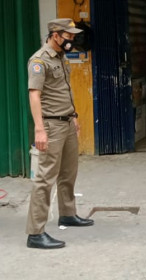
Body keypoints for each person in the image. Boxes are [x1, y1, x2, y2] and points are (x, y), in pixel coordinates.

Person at [26, 18, 94, 249]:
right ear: (55, 35)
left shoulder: (61, 58)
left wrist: (73, 115)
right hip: (51, 126)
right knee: (45, 179)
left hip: (66, 122)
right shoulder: (39, 60)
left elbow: (63, 90)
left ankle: (67, 213)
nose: (72, 40)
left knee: (68, 172)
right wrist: (40, 129)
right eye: (68, 36)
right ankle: (35, 233)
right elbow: (34, 95)